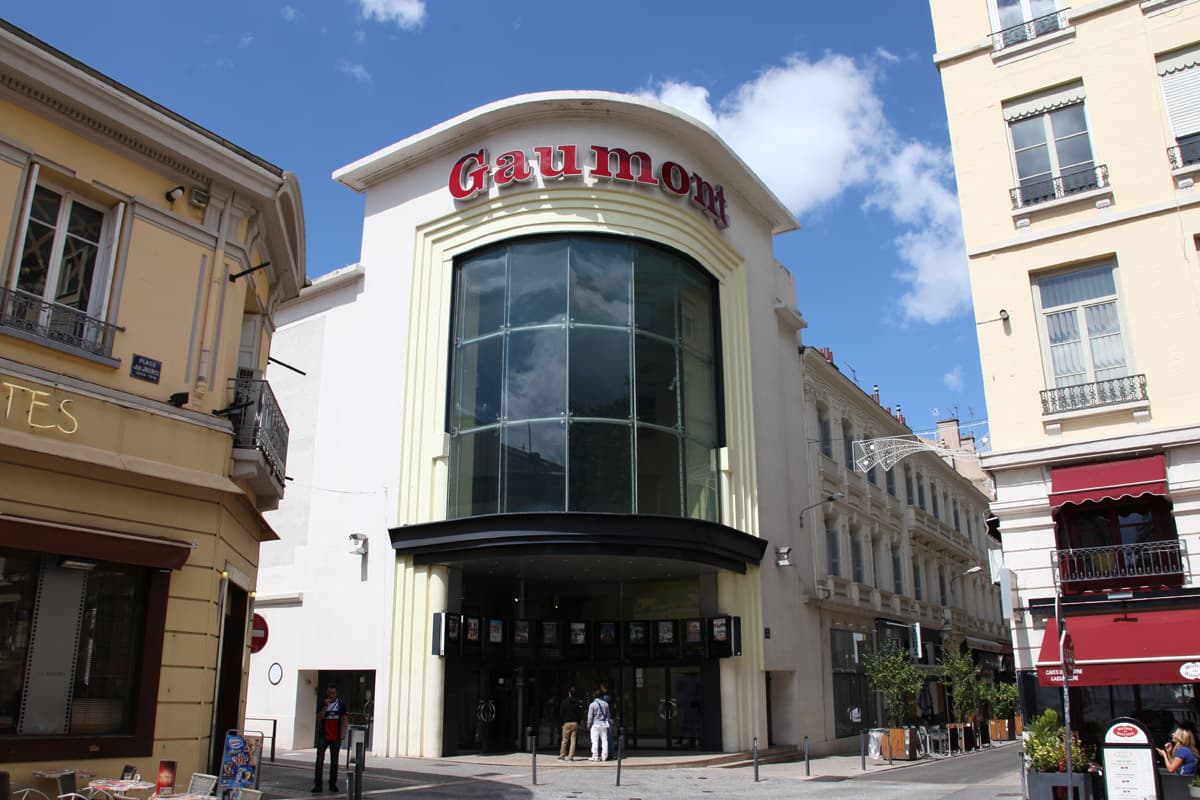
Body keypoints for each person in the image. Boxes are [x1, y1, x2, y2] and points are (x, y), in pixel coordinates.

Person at [313, 685, 348, 792]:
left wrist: (343, 733)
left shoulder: (341, 705)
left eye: (333, 693)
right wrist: (325, 707)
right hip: (323, 735)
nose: (331, 695)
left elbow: (344, 719)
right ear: (327, 693)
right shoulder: (322, 704)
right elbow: (319, 717)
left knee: (334, 762)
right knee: (319, 761)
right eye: (329, 693)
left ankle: (332, 784)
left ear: (336, 694)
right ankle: (318, 785)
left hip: (335, 735)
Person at [558, 687, 583, 761]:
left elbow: (561, 713)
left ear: (569, 693)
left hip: (566, 723)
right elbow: (579, 714)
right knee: (573, 740)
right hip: (574, 723)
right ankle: (571, 756)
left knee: (565, 740)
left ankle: (562, 755)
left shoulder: (564, 702)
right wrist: (578, 721)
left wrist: (561, 722)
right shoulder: (577, 702)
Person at [586, 688, 611, 762]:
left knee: (595, 741)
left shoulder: (592, 705)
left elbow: (590, 717)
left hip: (595, 724)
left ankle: (595, 756)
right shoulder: (606, 704)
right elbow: (608, 715)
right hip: (603, 724)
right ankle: (604, 756)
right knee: (604, 741)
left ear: (594, 696)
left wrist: (588, 725)